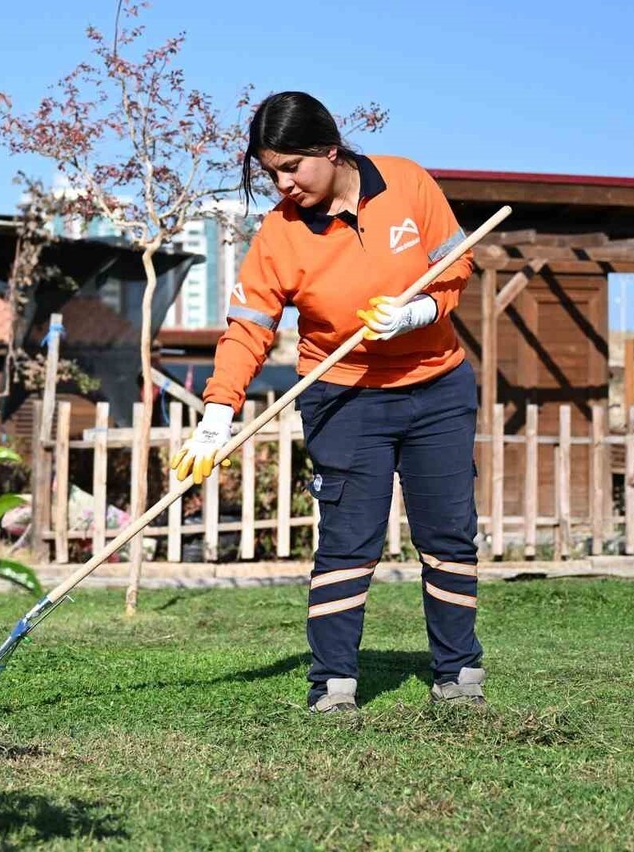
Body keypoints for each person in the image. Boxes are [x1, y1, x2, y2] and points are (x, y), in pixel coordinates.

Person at [170, 91, 485, 713]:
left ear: (329, 149)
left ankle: (459, 675)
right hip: (344, 398)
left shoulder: (407, 182)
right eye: (271, 173)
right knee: (348, 540)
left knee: (448, 534)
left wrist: (421, 310)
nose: (283, 184)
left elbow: (457, 263)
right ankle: (335, 684)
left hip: (438, 388)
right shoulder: (280, 236)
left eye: (292, 167)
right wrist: (216, 414)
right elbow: (248, 328)